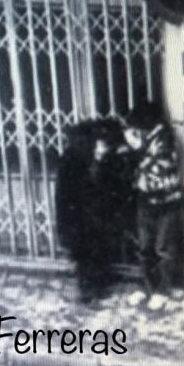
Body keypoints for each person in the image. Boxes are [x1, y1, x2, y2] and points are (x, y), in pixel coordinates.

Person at [56, 118, 129, 302]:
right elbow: (68, 195)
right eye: (102, 145)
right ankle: (88, 289)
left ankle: (96, 285)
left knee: (97, 250)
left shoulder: (96, 158)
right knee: (85, 254)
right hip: (79, 217)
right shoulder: (74, 160)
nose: (104, 149)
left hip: (94, 215)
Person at [122, 102, 184, 303]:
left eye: (136, 129)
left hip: (165, 203)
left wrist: (135, 151)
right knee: (145, 247)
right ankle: (147, 287)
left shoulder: (163, 141)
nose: (133, 133)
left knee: (163, 248)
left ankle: (162, 290)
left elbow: (154, 171)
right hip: (146, 202)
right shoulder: (146, 141)